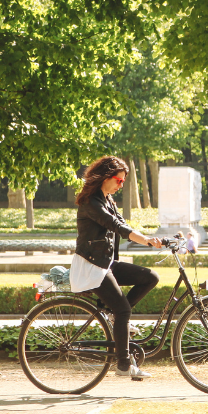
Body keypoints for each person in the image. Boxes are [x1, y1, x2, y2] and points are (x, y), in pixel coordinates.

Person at [72, 156, 162, 380]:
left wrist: (152, 237)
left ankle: (115, 317)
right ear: (105, 177)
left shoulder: (108, 199)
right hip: (91, 266)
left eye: (123, 182)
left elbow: (124, 223)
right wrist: (146, 241)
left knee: (150, 277)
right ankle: (123, 365)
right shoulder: (91, 202)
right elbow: (116, 226)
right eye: (119, 181)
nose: (121, 185)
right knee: (123, 310)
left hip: (106, 264)